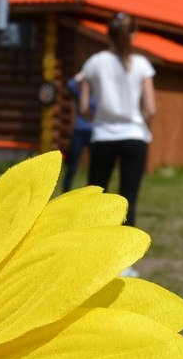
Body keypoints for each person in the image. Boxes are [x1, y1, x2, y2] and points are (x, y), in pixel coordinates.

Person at [79, 13, 156, 231]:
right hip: (134, 136)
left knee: (95, 196)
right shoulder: (141, 64)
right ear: (134, 34)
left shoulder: (94, 63)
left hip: (103, 135)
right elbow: (150, 109)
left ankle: (90, 247)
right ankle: (125, 261)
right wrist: (141, 126)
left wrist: (97, 120)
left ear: (108, 33)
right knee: (128, 198)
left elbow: (83, 107)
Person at [61, 72, 95, 191]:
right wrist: (83, 73)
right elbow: (70, 85)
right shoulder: (81, 94)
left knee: (95, 166)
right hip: (79, 132)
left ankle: (92, 192)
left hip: (94, 133)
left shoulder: (99, 96)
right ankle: (65, 190)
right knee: (72, 164)